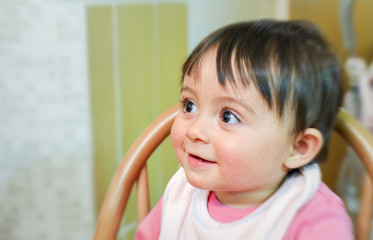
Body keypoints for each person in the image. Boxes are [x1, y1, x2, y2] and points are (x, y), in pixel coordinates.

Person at [135, 19, 353, 239]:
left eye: (228, 116)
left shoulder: (316, 223)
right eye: (189, 105)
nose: (194, 131)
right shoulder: (181, 194)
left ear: (298, 147)